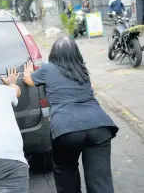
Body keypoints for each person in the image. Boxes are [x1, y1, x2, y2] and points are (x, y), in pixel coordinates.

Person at [22, 37, 119, 193]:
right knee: (100, 181)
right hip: (100, 127)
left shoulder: (47, 69)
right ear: (76, 54)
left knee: (65, 171)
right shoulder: (82, 70)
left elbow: (28, 80)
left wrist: (27, 71)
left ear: (54, 54)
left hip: (67, 129)